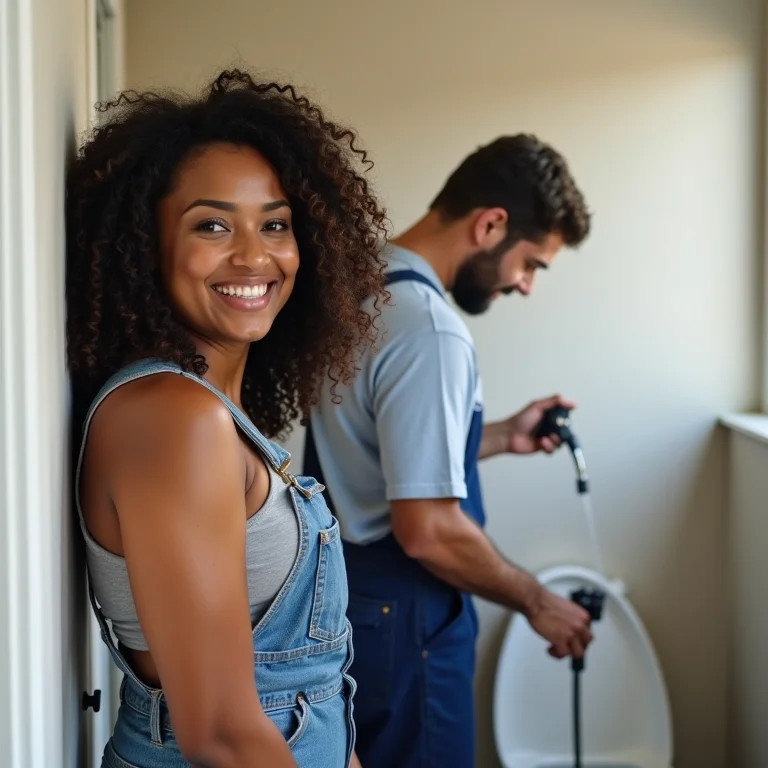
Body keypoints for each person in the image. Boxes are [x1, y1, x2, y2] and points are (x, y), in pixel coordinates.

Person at [66, 69, 389, 768]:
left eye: (274, 224)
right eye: (212, 225)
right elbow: (220, 733)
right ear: (143, 246)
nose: (255, 256)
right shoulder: (172, 419)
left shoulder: (206, 408)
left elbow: (307, 695)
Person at [303, 134, 595, 768]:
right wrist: (539, 603)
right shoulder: (432, 330)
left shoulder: (361, 286)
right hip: (411, 629)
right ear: (491, 224)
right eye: (532, 264)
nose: (525, 286)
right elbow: (428, 531)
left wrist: (500, 437)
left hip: (349, 604)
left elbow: (375, 455)